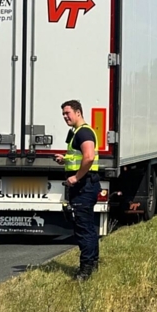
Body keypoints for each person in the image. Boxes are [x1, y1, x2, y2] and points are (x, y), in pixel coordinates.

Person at [53, 99, 100, 281]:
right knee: (88, 226)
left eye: (68, 113)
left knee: (83, 229)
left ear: (78, 112)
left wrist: (76, 177)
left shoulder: (84, 132)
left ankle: (85, 270)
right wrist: (65, 159)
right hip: (85, 185)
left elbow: (88, 157)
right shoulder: (76, 132)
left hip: (84, 186)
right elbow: (79, 157)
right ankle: (93, 263)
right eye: (63, 114)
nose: (65, 117)